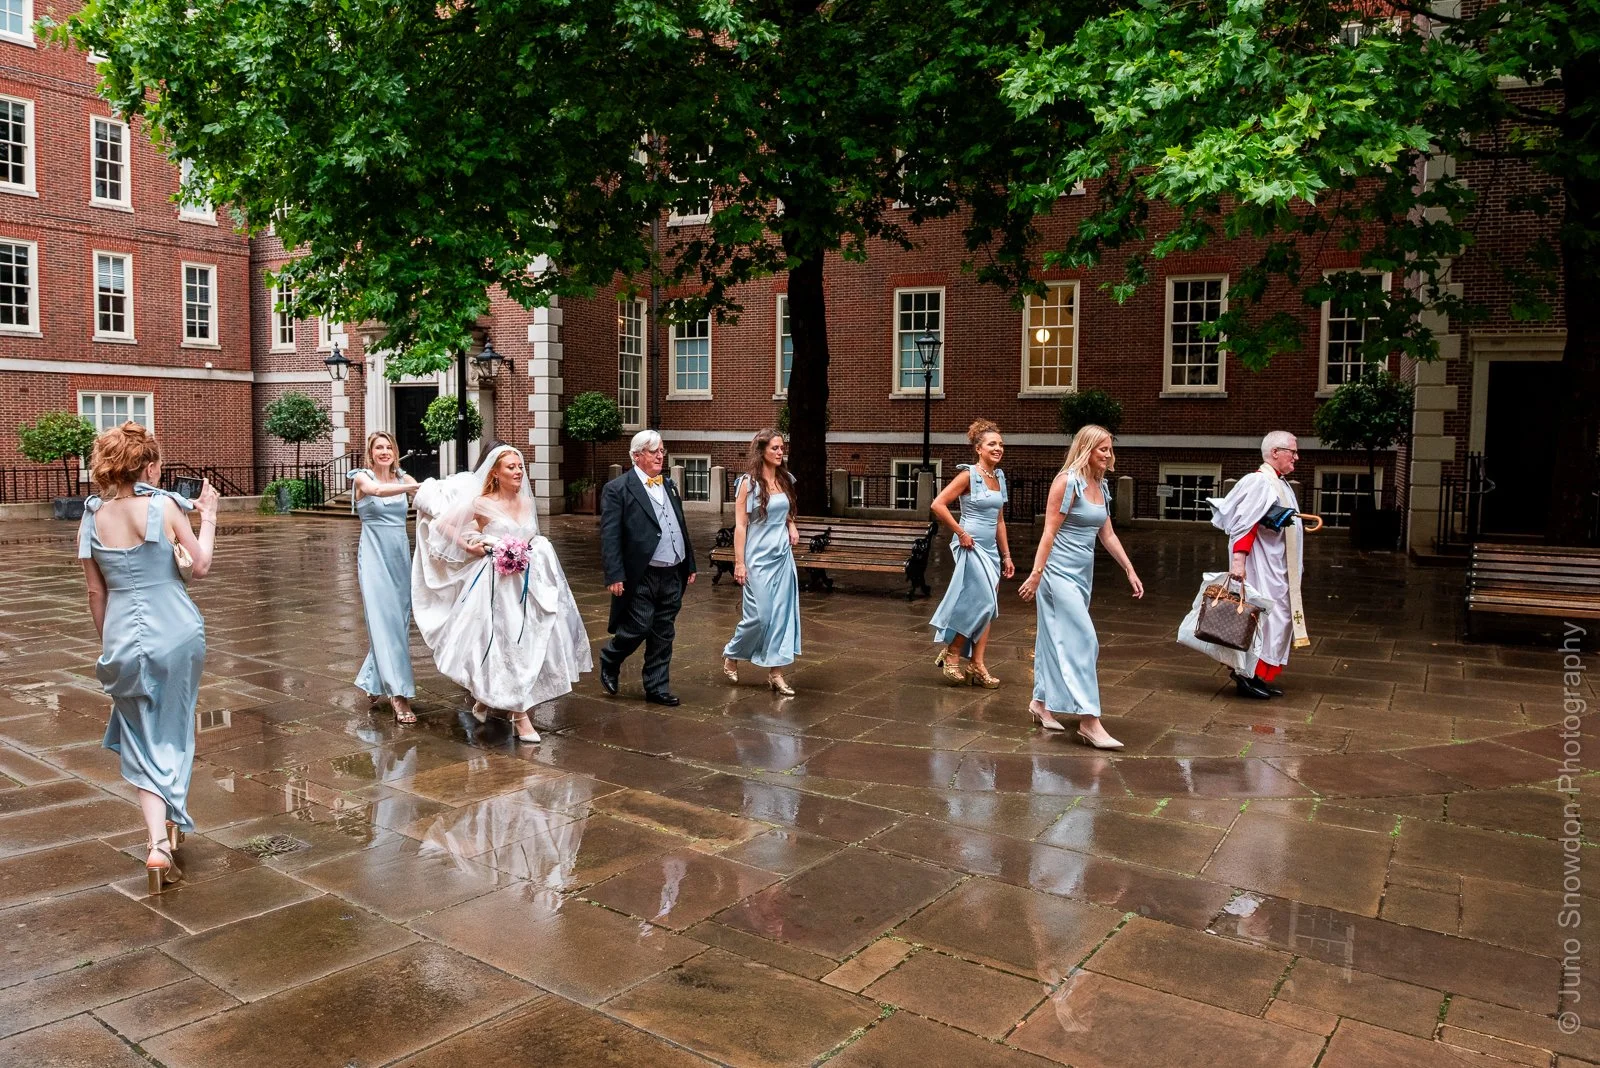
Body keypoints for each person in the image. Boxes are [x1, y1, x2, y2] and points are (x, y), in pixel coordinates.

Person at [77, 421, 219, 895]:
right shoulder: (163, 506)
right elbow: (199, 566)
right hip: (176, 629)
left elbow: (96, 593)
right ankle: (164, 837)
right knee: (174, 730)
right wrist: (210, 516)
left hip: (121, 633)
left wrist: (110, 643)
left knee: (141, 736)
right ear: (148, 465)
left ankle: (159, 841)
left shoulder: (91, 516)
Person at [412, 444, 591, 743]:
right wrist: (471, 544)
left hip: (530, 583)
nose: (519, 471)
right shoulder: (481, 502)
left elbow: (531, 536)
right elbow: (443, 525)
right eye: (511, 467)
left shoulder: (526, 502)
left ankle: (488, 699)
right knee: (508, 645)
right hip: (498, 584)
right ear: (495, 472)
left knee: (533, 642)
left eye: (520, 466)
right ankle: (520, 717)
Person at [1018, 424, 1143, 749]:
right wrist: (1036, 573)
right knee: (1084, 639)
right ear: (1086, 448)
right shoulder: (1067, 482)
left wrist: (1129, 568)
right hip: (1056, 574)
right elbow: (1048, 532)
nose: (1109, 455)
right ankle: (1089, 720)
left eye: (1110, 449)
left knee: (1050, 637)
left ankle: (1040, 703)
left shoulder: (1100, 486)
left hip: (1080, 575)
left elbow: (1108, 534)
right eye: (1103, 449)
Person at [598, 430, 697, 706]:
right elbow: (610, 536)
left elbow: (679, 524)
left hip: (672, 570)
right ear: (636, 455)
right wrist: (614, 574)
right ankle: (611, 657)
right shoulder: (617, 489)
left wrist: (689, 561)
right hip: (641, 572)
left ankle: (656, 687)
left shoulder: (669, 485)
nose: (659, 456)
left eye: (661, 451)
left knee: (664, 631)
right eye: (654, 451)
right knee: (639, 625)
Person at [1209, 430, 1310, 699]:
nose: (1297, 457)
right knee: (1262, 619)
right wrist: (1238, 563)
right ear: (1275, 452)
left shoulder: (1279, 482)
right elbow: (1244, 524)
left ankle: (1258, 675)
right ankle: (1246, 674)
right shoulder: (1260, 482)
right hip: (1262, 566)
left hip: (1276, 566)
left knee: (1276, 620)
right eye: (1293, 451)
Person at [928, 419, 1014, 687]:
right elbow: (938, 504)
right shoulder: (968, 475)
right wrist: (960, 532)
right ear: (979, 448)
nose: (998, 448)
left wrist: (1007, 555)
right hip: (971, 545)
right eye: (992, 444)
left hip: (991, 551)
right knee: (985, 602)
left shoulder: (998, 478)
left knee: (987, 608)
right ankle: (954, 652)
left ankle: (977, 662)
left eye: (1000, 444)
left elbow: (999, 521)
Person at [721, 429, 801, 694]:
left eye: (782, 448)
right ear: (762, 451)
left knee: (780, 617)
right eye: (775, 448)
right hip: (757, 558)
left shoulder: (785, 479)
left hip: (782, 557)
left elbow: (786, 509)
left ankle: (776, 672)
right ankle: (733, 652)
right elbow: (741, 526)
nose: (780, 452)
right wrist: (739, 563)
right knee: (761, 616)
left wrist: (791, 526)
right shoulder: (748, 483)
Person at [348, 431, 420, 723]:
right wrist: (413, 486)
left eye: (389, 446)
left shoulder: (404, 478)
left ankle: (372, 678)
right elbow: (377, 492)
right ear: (371, 452)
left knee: (397, 622)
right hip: (374, 556)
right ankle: (398, 695)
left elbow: (429, 505)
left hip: (400, 555)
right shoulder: (362, 478)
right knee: (382, 619)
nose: (384, 451)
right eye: (379, 447)